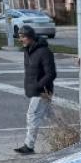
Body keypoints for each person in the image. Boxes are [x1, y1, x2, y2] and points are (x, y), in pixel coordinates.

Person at [14, 25, 56, 155]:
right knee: (52, 118)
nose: (21, 40)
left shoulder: (44, 52)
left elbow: (51, 74)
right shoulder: (28, 51)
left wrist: (38, 86)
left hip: (42, 91)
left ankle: (29, 146)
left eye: (23, 37)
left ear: (30, 37)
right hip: (35, 91)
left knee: (32, 116)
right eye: (20, 37)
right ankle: (70, 134)